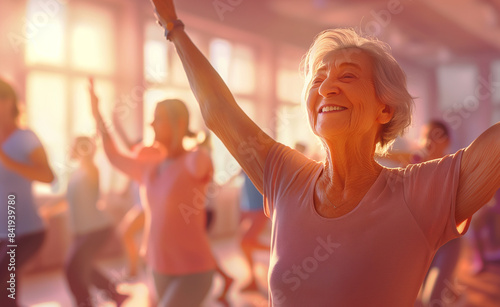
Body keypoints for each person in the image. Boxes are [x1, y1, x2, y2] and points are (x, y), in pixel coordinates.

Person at [149, 1, 500, 306]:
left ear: (385, 109)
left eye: (347, 76)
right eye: (318, 80)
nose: (327, 87)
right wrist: (172, 27)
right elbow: (218, 111)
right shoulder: (286, 176)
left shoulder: (418, 193)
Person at [88, 78, 216, 307]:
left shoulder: (192, 161)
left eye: (158, 119)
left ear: (179, 123)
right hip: (158, 266)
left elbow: (203, 162)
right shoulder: (149, 164)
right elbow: (114, 156)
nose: (150, 124)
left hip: (194, 270)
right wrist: (97, 114)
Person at [0, 78, 54, 307]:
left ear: (9, 102)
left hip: (27, 231)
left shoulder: (25, 137)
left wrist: (7, 161)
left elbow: (49, 176)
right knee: (7, 293)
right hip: (3, 232)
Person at [64, 136, 129, 307]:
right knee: (83, 267)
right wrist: (46, 211)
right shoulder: (76, 173)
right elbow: (68, 198)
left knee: (72, 269)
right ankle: (115, 295)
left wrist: (87, 150)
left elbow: (91, 173)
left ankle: (84, 303)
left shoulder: (92, 169)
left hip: (97, 228)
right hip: (81, 230)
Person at [239, 171, 270, 293]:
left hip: (259, 207)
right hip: (248, 206)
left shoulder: (257, 156)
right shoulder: (243, 157)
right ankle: (252, 280)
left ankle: (280, 252)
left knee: (246, 242)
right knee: (244, 243)